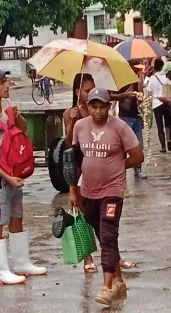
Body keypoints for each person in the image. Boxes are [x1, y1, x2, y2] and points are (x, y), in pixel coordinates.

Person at [70, 88, 144, 307]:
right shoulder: (80, 126)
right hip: (88, 191)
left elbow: (137, 156)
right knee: (102, 234)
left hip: (112, 190)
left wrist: (118, 168)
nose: (98, 111)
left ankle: (107, 286)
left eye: (102, 106)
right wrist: (73, 190)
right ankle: (119, 280)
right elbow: (74, 160)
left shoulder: (120, 127)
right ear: (88, 106)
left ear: (109, 106)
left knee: (109, 233)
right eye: (94, 106)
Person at [0, 66, 47, 285]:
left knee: (17, 215)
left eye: (7, 81)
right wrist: (5, 177)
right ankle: (2, 270)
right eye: (1, 82)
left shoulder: (5, 105)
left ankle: (21, 262)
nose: (7, 85)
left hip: (13, 172)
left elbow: (22, 128)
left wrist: (16, 116)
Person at [64, 74, 135, 273]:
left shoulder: (108, 118)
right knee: (86, 219)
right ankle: (88, 256)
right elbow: (70, 146)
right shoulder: (72, 114)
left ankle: (113, 258)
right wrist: (72, 122)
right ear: (78, 92)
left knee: (107, 225)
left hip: (107, 181)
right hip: (81, 173)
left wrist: (116, 166)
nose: (91, 93)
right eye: (87, 90)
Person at [111, 63, 147, 180]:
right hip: (125, 118)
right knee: (123, 146)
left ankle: (138, 170)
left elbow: (142, 99)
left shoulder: (138, 82)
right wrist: (113, 108)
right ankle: (121, 170)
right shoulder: (122, 83)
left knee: (138, 145)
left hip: (136, 117)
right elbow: (115, 96)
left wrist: (140, 97)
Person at [146, 58, 171, 153]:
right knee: (168, 123)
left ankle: (163, 146)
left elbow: (149, 94)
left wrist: (148, 105)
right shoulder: (166, 77)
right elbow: (170, 89)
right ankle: (169, 139)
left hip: (156, 104)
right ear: (162, 67)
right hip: (166, 103)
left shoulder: (152, 79)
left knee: (159, 126)